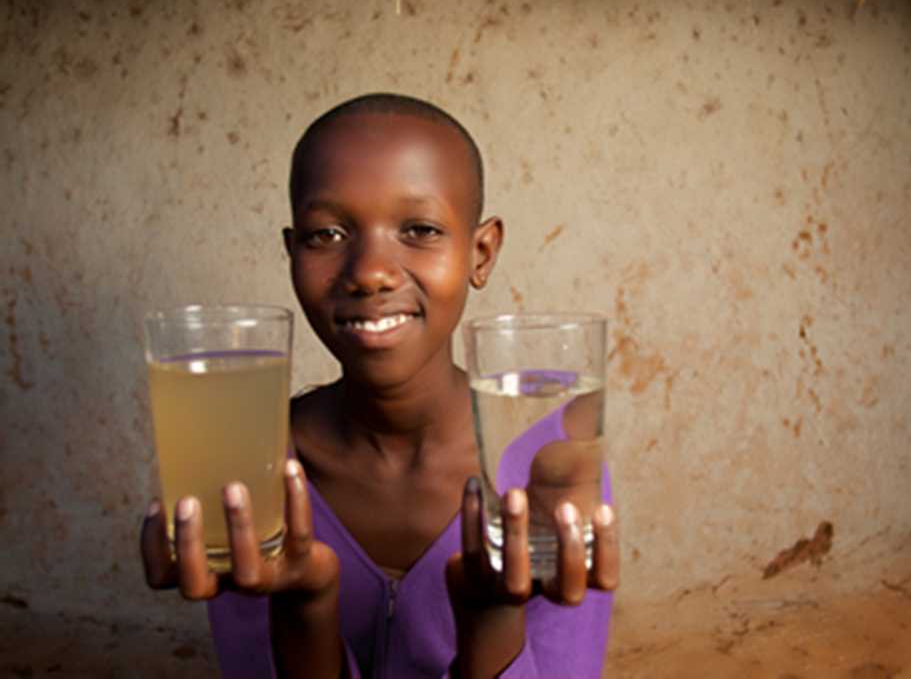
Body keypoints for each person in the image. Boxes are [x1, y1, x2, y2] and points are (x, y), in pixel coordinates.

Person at [140, 93, 619, 679]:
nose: (369, 271)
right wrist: (304, 603)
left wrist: (493, 617)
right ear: (291, 256)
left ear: (482, 251)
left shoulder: (546, 462)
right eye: (327, 235)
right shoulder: (249, 468)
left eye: (419, 229)